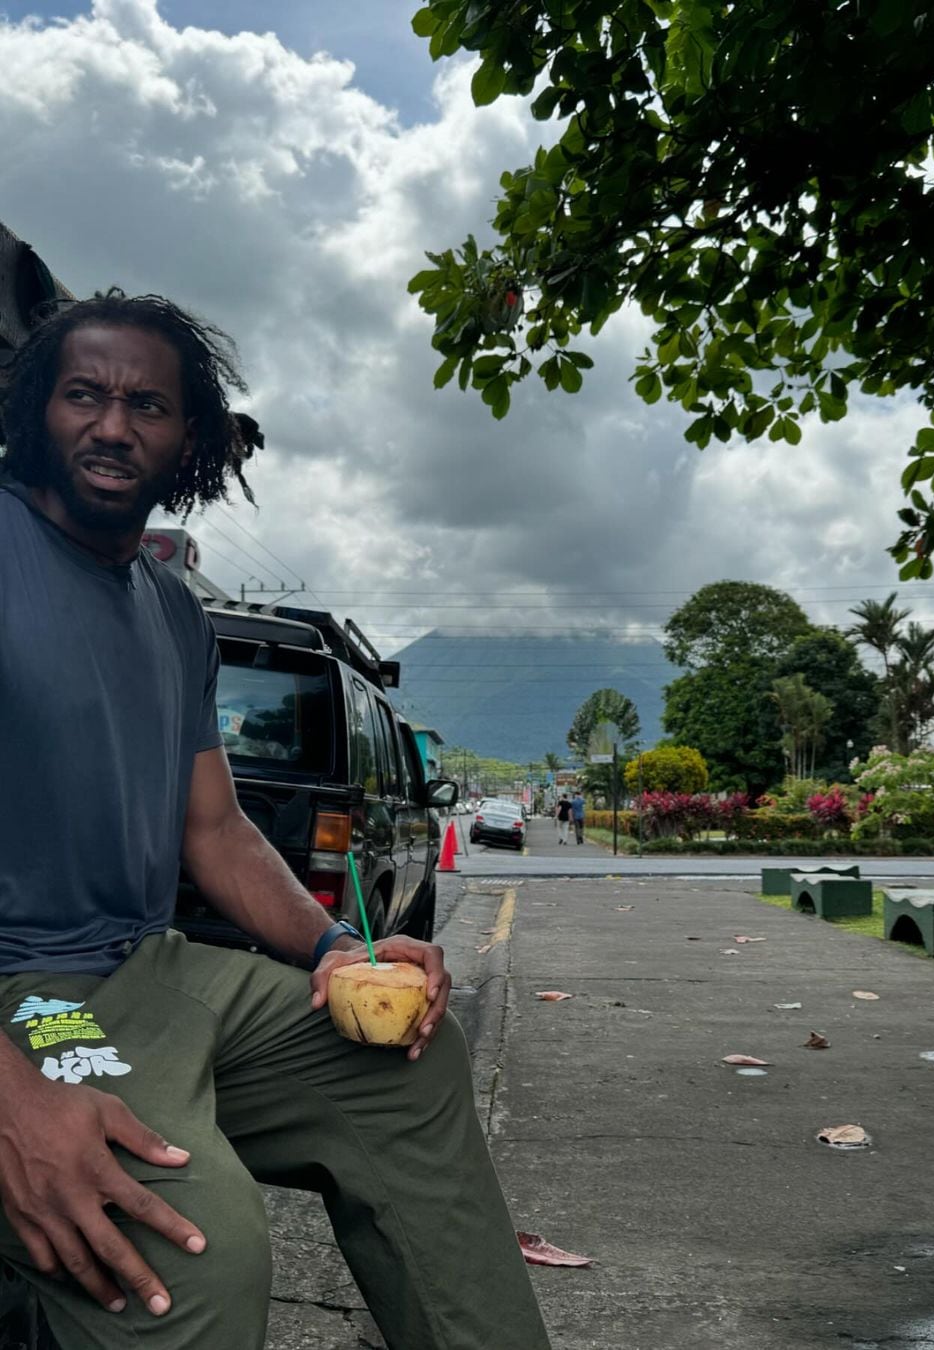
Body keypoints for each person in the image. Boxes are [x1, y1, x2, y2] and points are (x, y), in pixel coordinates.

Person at [0, 291, 551, 1350]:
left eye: (148, 405)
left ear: (192, 441)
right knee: (194, 1249)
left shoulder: (169, 610)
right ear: (37, 411)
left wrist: (343, 951)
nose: (113, 425)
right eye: (84, 394)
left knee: (404, 1061)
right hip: (29, 999)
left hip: (153, 971)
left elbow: (214, 832)